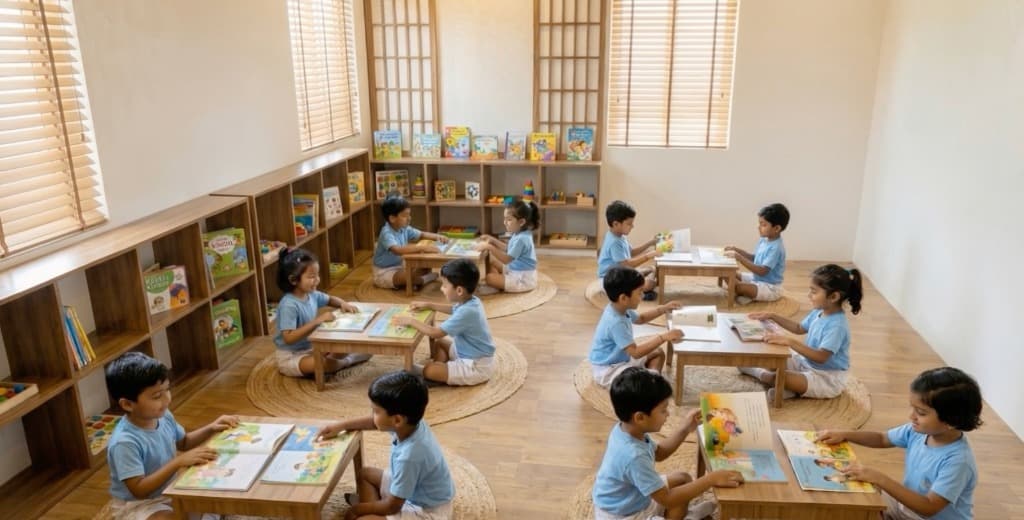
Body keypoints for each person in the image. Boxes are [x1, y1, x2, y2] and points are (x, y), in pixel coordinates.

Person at [817, 367, 982, 520]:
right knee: (857, 495)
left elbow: (929, 507)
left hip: (924, 515)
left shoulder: (958, 462)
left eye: (921, 413)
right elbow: (882, 438)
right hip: (906, 508)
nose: (912, 416)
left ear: (951, 421)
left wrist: (880, 479)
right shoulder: (918, 431)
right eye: (913, 408)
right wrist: (845, 434)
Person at [592, 367, 743, 520]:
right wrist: (711, 479)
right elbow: (668, 498)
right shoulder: (633, 455)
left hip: (634, 497)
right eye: (663, 410)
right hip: (623, 514)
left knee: (682, 479)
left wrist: (685, 429)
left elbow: (659, 452)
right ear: (640, 418)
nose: (668, 414)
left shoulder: (627, 429)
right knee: (676, 496)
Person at [105, 352, 238, 520]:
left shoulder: (163, 416)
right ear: (128, 404)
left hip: (170, 491)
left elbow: (184, 442)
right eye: (156, 396)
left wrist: (211, 428)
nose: (166, 399)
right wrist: (177, 463)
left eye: (167, 390)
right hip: (139, 504)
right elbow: (138, 489)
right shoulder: (125, 442)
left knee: (219, 497)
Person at [317, 371, 454, 520]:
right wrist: (341, 425)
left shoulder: (410, 456)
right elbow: (375, 423)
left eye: (376, 411)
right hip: (414, 492)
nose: (372, 415)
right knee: (365, 474)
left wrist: (357, 510)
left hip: (427, 510)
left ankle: (373, 513)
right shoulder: (410, 423)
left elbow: (392, 506)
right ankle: (374, 512)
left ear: (397, 420)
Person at [739, 264, 863, 401]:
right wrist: (772, 315)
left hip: (826, 377)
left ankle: (759, 374)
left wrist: (790, 342)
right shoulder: (819, 311)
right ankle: (792, 390)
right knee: (773, 360)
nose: (809, 295)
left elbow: (821, 357)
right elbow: (798, 328)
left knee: (779, 377)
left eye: (814, 292)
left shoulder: (837, 326)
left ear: (833, 297)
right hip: (806, 363)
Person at [395, 258, 496, 386]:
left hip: (475, 366)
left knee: (429, 370)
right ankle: (441, 372)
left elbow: (435, 333)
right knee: (441, 344)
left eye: (444, 285)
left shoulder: (467, 312)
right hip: (465, 353)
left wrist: (411, 321)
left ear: (459, 290)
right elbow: (454, 309)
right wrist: (430, 305)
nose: (442, 289)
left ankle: (433, 373)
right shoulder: (471, 301)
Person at [274, 248, 369, 378]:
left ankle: (341, 358)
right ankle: (348, 362)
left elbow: (330, 299)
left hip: (313, 348)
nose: (317, 280)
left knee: (343, 345)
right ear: (293, 280)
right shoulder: (289, 305)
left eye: (317, 275)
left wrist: (343, 304)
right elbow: (288, 338)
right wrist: (317, 321)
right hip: (291, 356)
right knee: (322, 364)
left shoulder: (311, 294)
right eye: (311, 276)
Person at [589, 266, 683, 388]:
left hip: (623, 359)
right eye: (639, 293)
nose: (643, 296)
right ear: (623, 298)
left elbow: (641, 319)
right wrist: (663, 337)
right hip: (608, 369)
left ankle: (651, 381)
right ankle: (650, 384)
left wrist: (663, 309)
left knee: (658, 353)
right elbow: (636, 352)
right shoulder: (616, 322)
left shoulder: (620, 307)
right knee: (634, 384)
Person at [372, 193, 449, 289]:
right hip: (384, 272)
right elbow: (397, 250)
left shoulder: (404, 228)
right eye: (405, 216)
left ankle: (417, 280)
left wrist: (438, 237)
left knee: (424, 263)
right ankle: (421, 280)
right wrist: (423, 248)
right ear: (392, 218)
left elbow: (422, 234)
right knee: (408, 277)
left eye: (409, 214)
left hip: (400, 266)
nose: (409, 218)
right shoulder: (386, 233)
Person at [724, 203, 790, 304]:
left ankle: (745, 292)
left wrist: (740, 258)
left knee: (737, 287)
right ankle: (747, 293)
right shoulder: (764, 240)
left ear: (776, 228)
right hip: (757, 279)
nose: (759, 227)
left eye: (763, 225)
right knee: (727, 273)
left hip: (770, 287)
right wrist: (736, 250)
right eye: (759, 223)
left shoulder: (776, 248)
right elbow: (754, 257)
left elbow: (762, 271)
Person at [598, 200, 660, 301]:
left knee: (652, 269)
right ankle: (641, 292)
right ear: (616, 224)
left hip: (622, 273)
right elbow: (627, 264)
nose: (632, 226)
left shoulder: (620, 236)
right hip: (612, 279)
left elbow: (631, 252)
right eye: (629, 224)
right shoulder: (614, 242)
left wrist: (650, 243)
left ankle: (639, 290)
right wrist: (648, 255)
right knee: (650, 284)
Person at [474, 198, 539, 294]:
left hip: (522, 278)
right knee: (492, 263)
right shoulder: (519, 232)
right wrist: (493, 240)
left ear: (521, 222)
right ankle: (498, 284)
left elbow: (507, 259)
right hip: (515, 269)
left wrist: (489, 247)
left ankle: (497, 285)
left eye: (509, 220)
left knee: (489, 278)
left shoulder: (521, 239)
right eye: (505, 219)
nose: (505, 222)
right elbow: (508, 248)